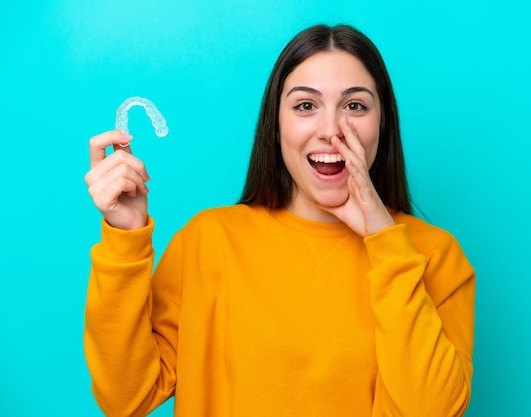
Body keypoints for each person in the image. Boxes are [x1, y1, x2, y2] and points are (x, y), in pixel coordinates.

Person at [84, 24, 475, 416]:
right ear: (276, 125)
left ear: (383, 124)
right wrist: (125, 235)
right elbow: (125, 398)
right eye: (306, 105)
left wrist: (386, 241)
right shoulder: (209, 241)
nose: (330, 131)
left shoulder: (432, 255)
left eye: (355, 106)